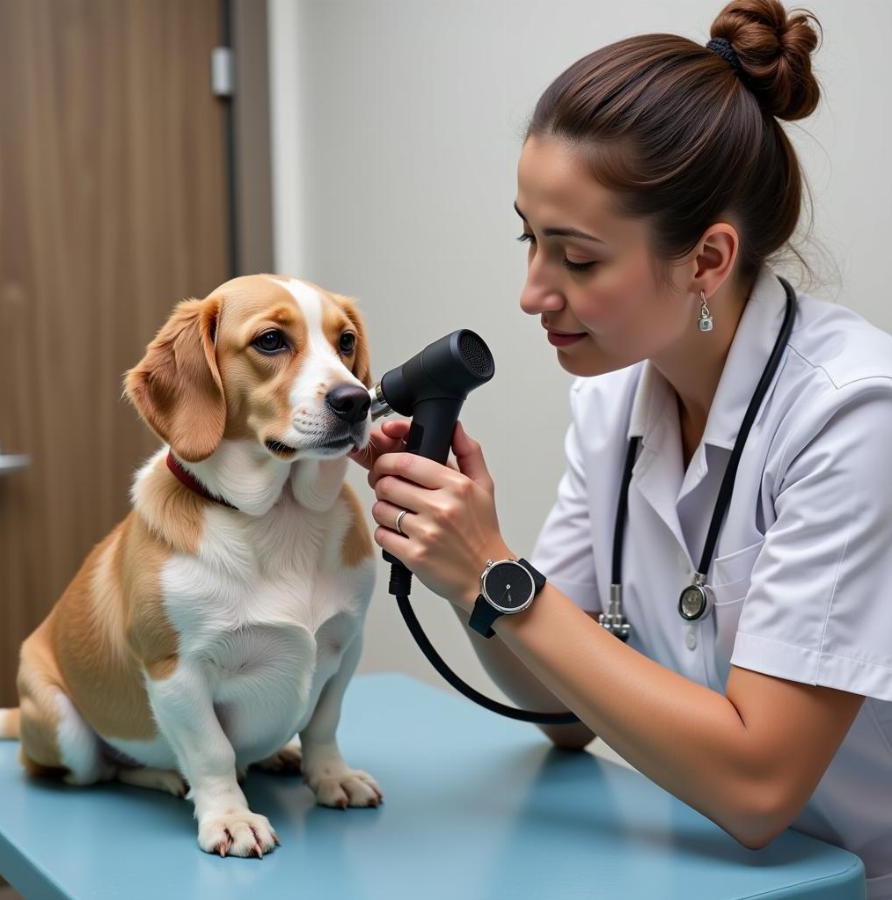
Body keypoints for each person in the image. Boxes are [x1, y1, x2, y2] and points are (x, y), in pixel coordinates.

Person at [348, 0, 892, 894]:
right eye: (531, 239)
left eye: (579, 258)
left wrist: (496, 576)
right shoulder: (612, 405)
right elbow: (560, 707)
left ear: (708, 260)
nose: (532, 293)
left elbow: (759, 786)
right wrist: (461, 570)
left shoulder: (851, 417)